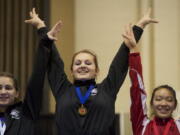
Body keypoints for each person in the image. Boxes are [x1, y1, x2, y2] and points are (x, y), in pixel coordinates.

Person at [25, 8, 158, 135]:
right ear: (72, 71)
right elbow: (54, 63)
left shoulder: (107, 89)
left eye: (88, 63)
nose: (82, 65)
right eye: (78, 63)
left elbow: (120, 62)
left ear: (96, 71)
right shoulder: (62, 89)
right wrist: (41, 28)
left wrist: (139, 26)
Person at [123, 19, 180, 135]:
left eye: (169, 100)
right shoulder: (142, 125)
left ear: (175, 105)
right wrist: (134, 49)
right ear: (151, 104)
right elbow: (136, 91)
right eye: (158, 99)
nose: (163, 103)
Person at [0, 14, 50, 135]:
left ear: (17, 93)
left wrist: (42, 29)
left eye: (8, 88)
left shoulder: (27, 112)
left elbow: (37, 78)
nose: (3, 92)